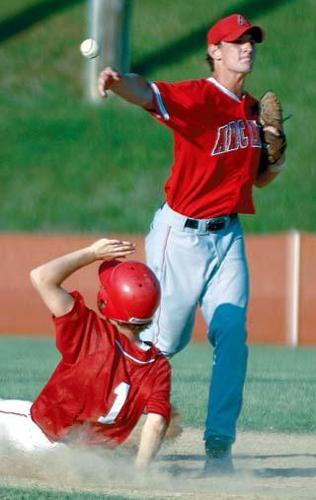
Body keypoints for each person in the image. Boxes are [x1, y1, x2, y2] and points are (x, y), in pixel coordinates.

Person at [97, 13, 286, 474]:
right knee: (162, 342)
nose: (246, 48)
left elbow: (259, 181)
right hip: (180, 238)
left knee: (232, 336)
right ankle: (115, 425)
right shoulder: (200, 97)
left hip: (227, 238)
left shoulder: (248, 111)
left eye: (250, 41)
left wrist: (275, 150)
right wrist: (119, 82)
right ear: (215, 52)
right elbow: (150, 93)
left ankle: (219, 448)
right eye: (235, 42)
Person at [0, 238, 172, 469]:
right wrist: (140, 472)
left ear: (105, 301)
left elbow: (41, 277)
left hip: (39, 438)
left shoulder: (89, 331)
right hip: (89, 460)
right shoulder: (157, 365)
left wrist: (92, 253)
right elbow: (157, 422)